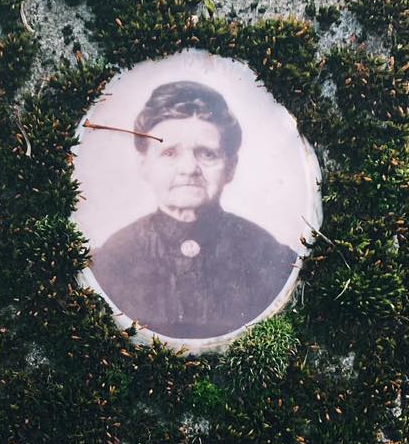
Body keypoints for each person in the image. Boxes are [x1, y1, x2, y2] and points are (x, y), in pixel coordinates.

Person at [88, 80, 300, 342]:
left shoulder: (268, 257)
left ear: (230, 166)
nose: (188, 168)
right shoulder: (111, 260)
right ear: (144, 165)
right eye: (169, 153)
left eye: (207, 154)